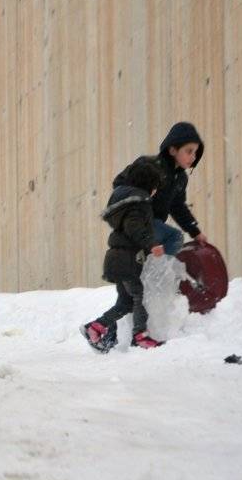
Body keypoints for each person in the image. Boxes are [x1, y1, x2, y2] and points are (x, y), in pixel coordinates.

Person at [82, 157, 166, 351]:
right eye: (155, 186)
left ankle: (95, 327)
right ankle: (140, 336)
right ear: (149, 185)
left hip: (117, 258)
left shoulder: (126, 202)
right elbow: (133, 226)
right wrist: (151, 244)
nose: (156, 191)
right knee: (140, 295)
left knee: (125, 302)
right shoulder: (139, 202)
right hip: (128, 259)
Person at [130, 122, 207, 256]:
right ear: (172, 150)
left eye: (195, 152)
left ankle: (153, 262)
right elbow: (123, 184)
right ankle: (159, 267)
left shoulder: (180, 178)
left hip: (154, 224)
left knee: (169, 241)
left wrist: (195, 231)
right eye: (189, 151)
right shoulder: (152, 166)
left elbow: (178, 207)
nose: (193, 157)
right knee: (175, 237)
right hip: (139, 221)